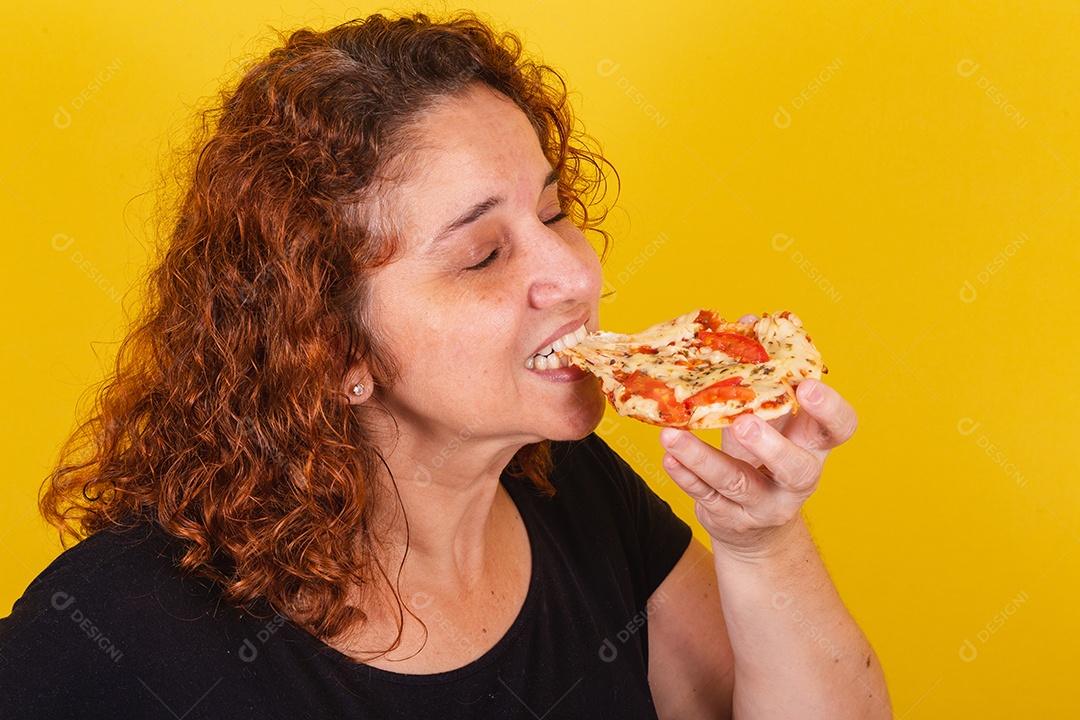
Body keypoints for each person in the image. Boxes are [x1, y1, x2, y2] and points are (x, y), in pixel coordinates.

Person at [0, 11, 890, 719]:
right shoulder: (106, 641)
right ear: (333, 345)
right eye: (482, 257)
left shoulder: (575, 495)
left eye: (553, 213)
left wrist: (761, 543)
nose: (577, 276)